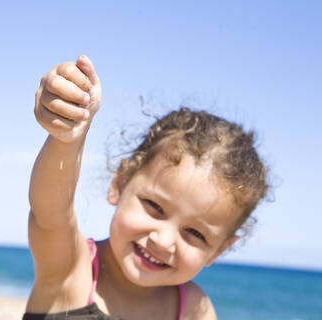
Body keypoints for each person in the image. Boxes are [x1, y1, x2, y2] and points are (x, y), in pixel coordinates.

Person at [23, 55, 268, 319]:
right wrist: (66, 140)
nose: (162, 241)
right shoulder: (69, 268)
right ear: (120, 183)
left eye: (195, 233)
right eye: (155, 206)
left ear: (219, 250)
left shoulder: (194, 309)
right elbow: (50, 212)